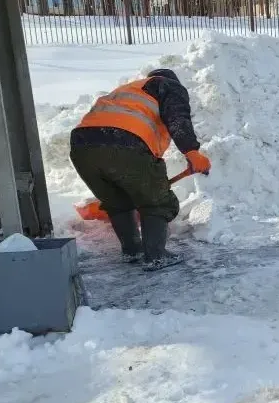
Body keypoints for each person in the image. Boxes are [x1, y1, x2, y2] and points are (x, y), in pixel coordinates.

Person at [69, 69, 211, 271]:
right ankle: (156, 256)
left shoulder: (128, 91)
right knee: (157, 201)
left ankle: (132, 250)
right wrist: (192, 152)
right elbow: (178, 119)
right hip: (125, 142)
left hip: (82, 147)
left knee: (118, 200)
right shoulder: (168, 85)